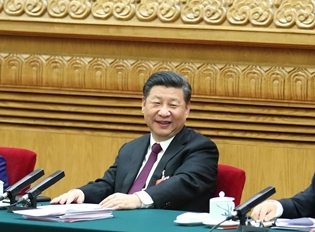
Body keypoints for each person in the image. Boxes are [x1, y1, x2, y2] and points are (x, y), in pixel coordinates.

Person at [51, 71, 218, 212]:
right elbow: (109, 184)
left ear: (187, 109)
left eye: (173, 105)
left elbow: (184, 183)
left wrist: (138, 199)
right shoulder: (131, 148)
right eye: (157, 103)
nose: (164, 112)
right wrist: (80, 194)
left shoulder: (201, 148)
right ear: (143, 105)